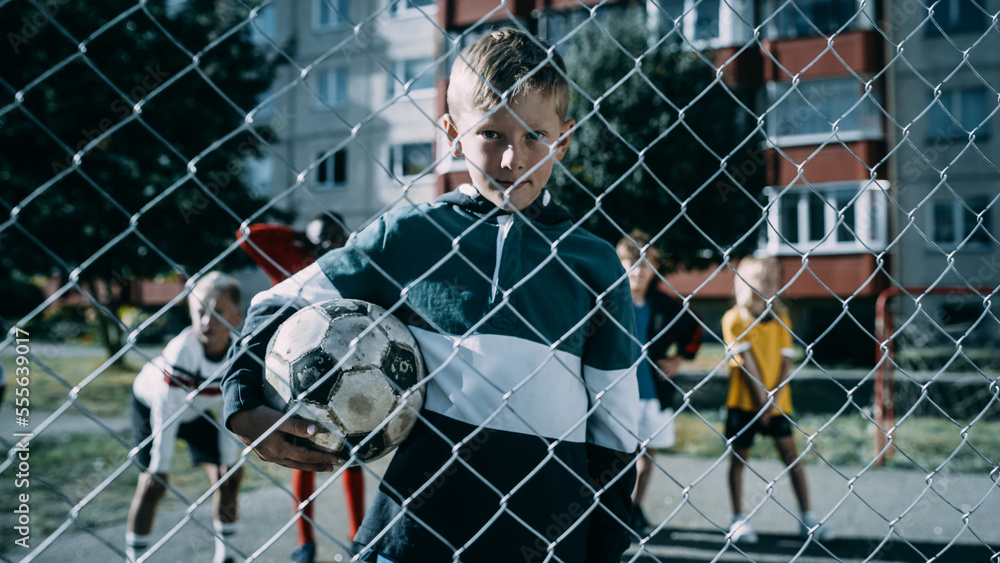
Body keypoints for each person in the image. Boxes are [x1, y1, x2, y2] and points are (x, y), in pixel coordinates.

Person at [223, 28, 640, 562]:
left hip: (550, 539)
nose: (514, 159)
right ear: (451, 133)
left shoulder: (594, 263)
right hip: (415, 537)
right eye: (492, 134)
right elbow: (276, 303)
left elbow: (616, 422)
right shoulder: (408, 236)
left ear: (564, 138)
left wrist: (603, 547)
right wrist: (242, 407)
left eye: (536, 135)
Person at [238, 212, 366, 563]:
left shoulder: (354, 269)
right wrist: (300, 235)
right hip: (297, 379)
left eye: (335, 235)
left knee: (350, 460)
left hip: (348, 376)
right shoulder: (296, 266)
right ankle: (304, 543)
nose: (328, 243)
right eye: (321, 238)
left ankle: (357, 537)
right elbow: (248, 234)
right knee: (303, 457)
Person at [126, 272, 245, 563]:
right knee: (153, 484)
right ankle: (134, 557)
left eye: (218, 311)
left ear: (238, 316)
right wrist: (160, 465)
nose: (207, 321)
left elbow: (232, 408)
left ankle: (225, 554)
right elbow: (166, 411)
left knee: (229, 477)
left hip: (197, 411)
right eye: (200, 311)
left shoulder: (240, 351)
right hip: (152, 406)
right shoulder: (182, 351)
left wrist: (229, 460)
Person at [721, 256, 832, 543]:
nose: (771, 284)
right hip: (745, 404)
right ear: (746, 283)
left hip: (778, 405)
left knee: (792, 459)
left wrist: (773, 400)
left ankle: (808, 517)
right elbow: (746, 363)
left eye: (774, 278)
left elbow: (785, 364)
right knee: (738, 459)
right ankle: (737, 519)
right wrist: (762, 400)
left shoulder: (783, 318)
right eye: (763, 278)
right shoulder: (734, 318)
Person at [616, 229, 702, 537]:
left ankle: (634, 507)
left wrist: (680, 359)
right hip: (615, 393)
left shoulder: (664, 304)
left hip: (652, 391)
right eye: (632, 263)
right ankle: (614, 505)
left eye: (645, 264)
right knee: (616, 452)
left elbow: (695, 330)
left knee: (647, 453)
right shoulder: (609, 300)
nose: (639, 271)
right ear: (620, 264)